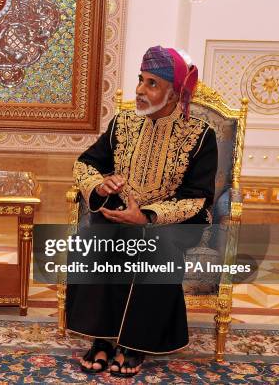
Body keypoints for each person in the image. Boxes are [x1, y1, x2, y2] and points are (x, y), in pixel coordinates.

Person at [66, 46, 217, 377]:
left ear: (175, 93)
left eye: (151, 83)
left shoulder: (201, 135)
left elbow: (198, 199)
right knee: (95, 238)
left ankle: (136, 344)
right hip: (122, 213)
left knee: (155, 247)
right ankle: (103, 338)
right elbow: (85, 162)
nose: (139, 90)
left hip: (174, 222)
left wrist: (147, 216)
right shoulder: (123, 123)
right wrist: (98, 186)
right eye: (140, 79)